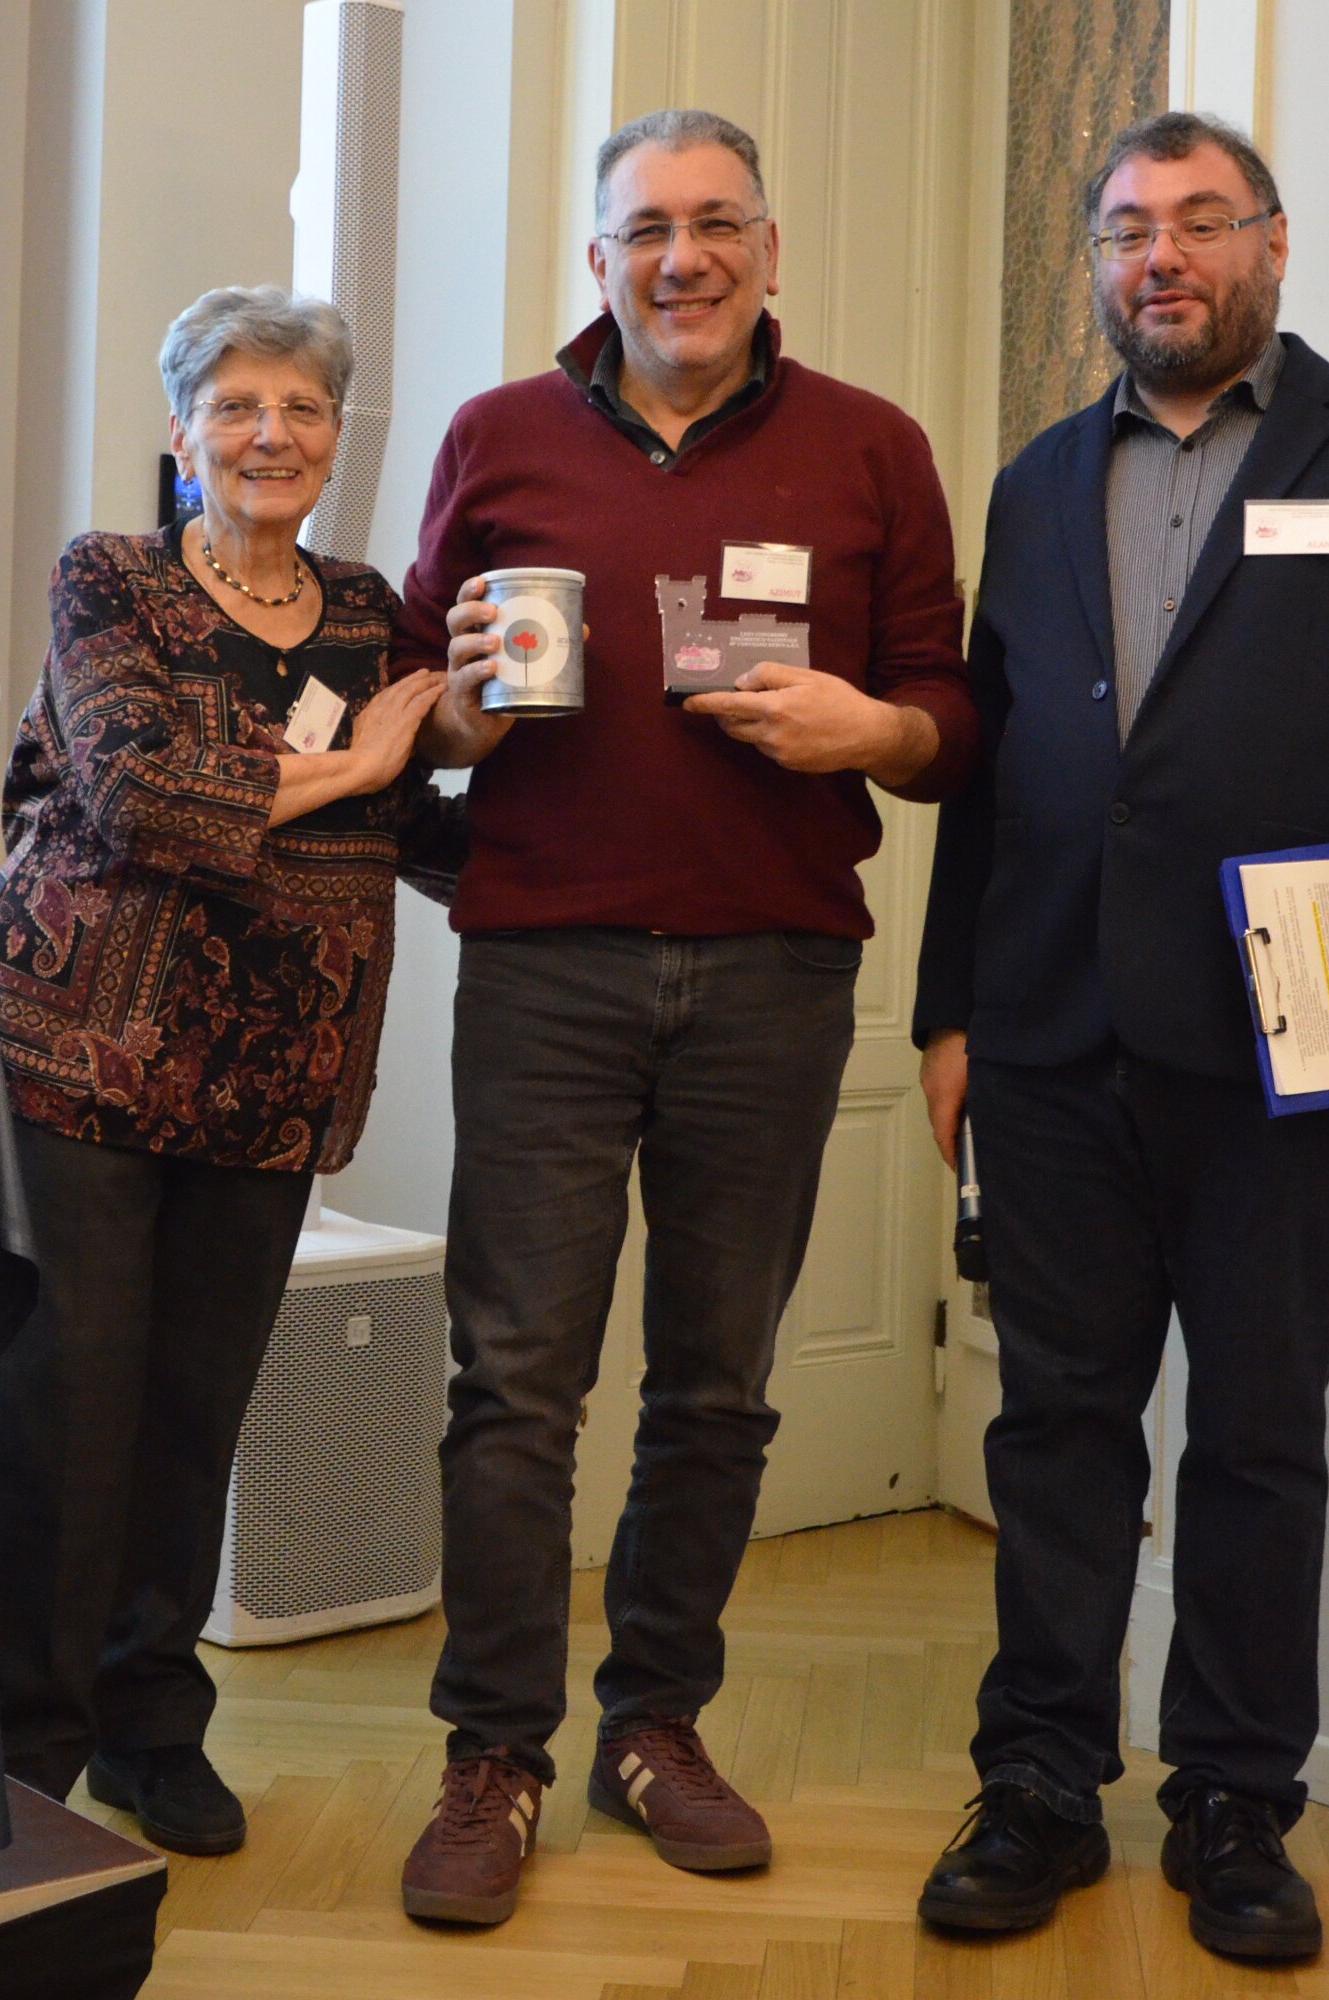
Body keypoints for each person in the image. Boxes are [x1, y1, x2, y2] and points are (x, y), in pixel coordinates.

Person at [913, 110, 1329, 1962]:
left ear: (1270, 242)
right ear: (1096, 264)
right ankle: (1037, 1785)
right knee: (1055, 1430)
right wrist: (947, 1014)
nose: (1156, 256)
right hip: (1048, 1042)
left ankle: (1235, 1803)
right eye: (1123, 229)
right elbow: (993, 773)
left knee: (1254, 1436)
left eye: (1196, 220)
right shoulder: (1033, 482)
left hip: (1287, 1052)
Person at [392, 108, 977, 1925]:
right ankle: (493, 1753)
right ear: (599, 260)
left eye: (717, 222)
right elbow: (408, 682)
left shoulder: (872, 446)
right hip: (544, 967)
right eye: (646, 227)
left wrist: (873, 730)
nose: (683, 257)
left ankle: (654, 1724)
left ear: (768, 250)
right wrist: (458, 720)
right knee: (514, 1384)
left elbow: (950, 712)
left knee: (716, 1384)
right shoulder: (496, 434)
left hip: (774, 972)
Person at [0, 285, 464, 1855]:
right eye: (235, 405)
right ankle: (19, 1764)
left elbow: (412, 823)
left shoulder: (368, 611)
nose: (269, 433)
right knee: (65, 1416)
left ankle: (150, 1730)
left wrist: (539, 784)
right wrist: (363, 760)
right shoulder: (108, 578)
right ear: (183, 435)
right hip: (82, 1059)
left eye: (301, 407)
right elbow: (138, 796)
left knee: (194, 1416)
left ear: (336, 436)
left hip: (276, 1074)